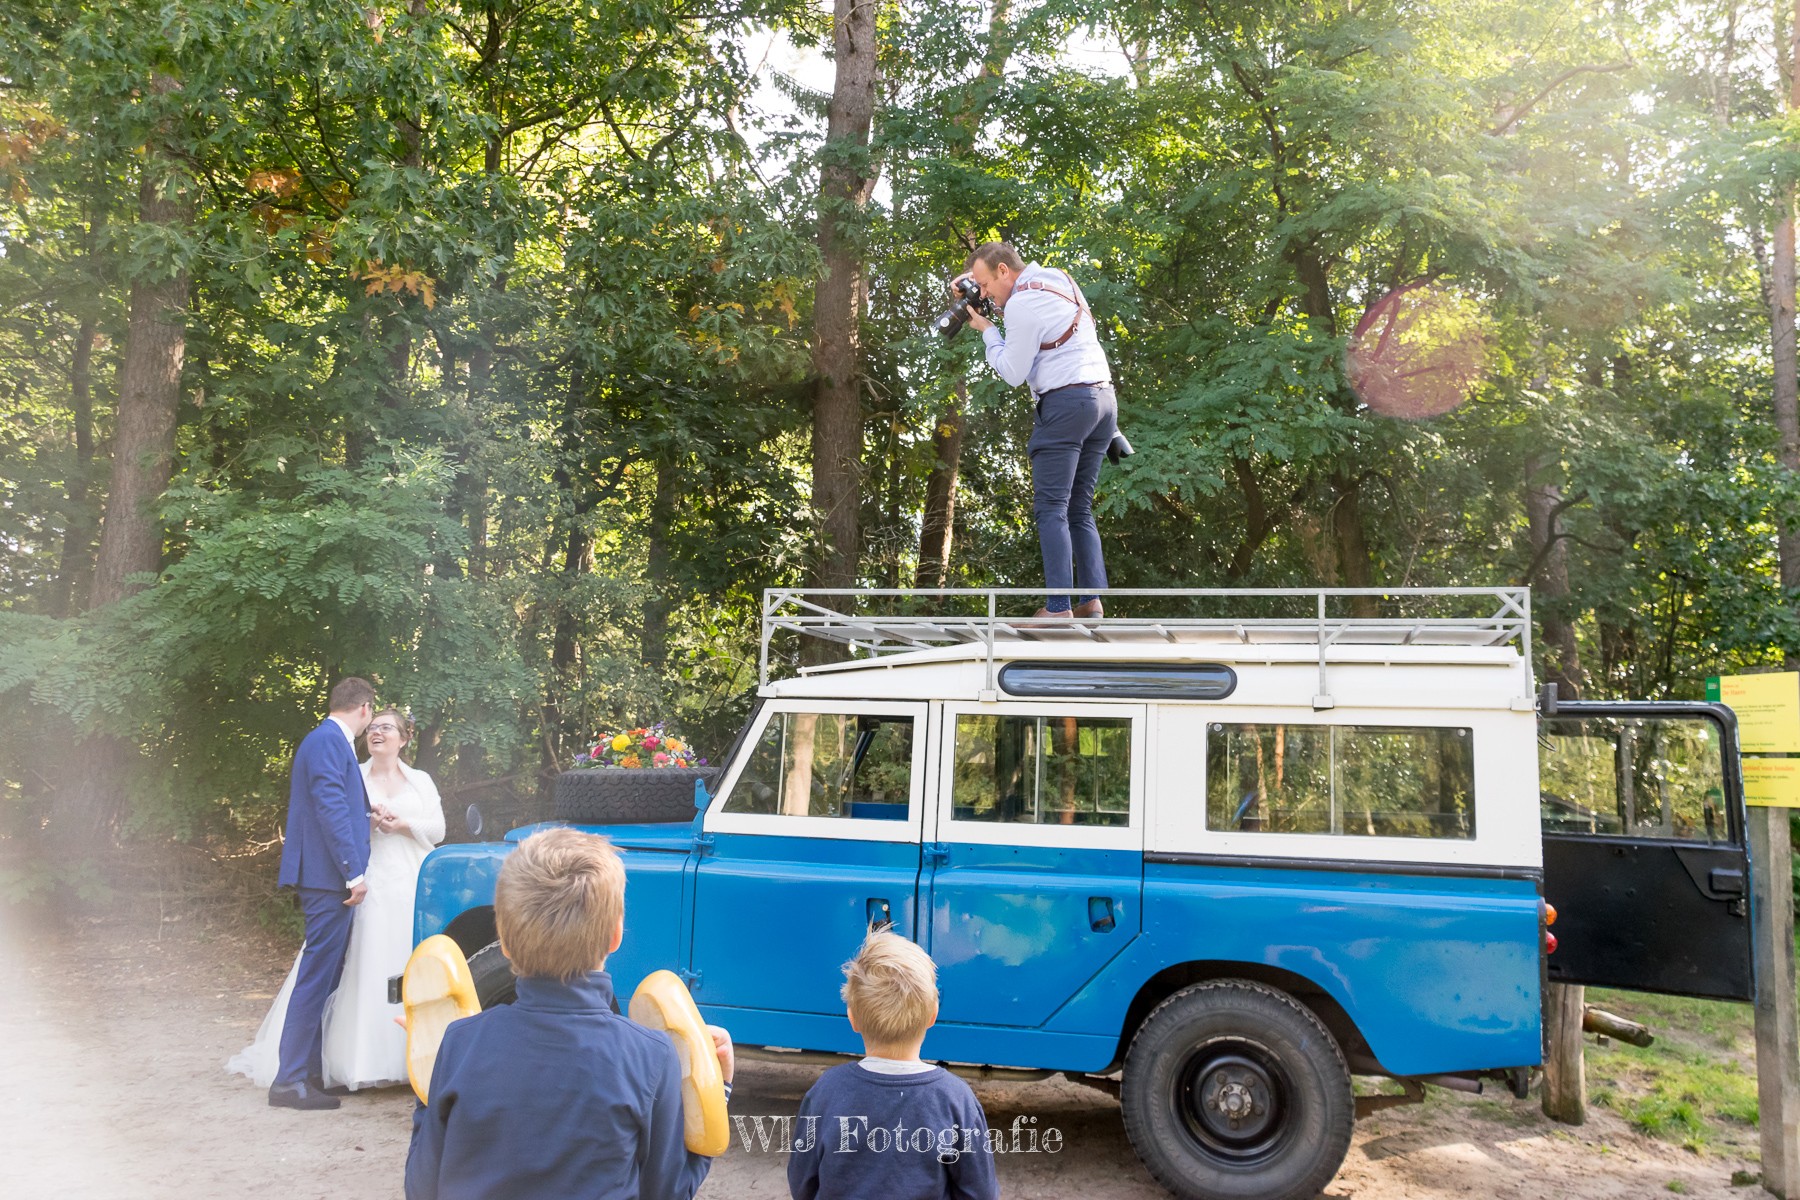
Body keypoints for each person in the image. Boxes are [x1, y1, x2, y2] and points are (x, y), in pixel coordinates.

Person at [405, 827, 734, 1200]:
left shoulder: (457, 1043)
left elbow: (421, 1189)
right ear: (615, 936)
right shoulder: (652, 1056)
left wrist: (425, 1082)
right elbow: (666, 1192)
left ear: (505, 942)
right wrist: (714, 1090)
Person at [229, 707, 447, 1091]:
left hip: (412, 883)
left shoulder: (421, 781)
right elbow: (334, 819)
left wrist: (404, 825)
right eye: (373, 726)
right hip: (366, 880)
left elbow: (439, 829)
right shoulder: (354, 772)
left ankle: (414, 1057)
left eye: (387, 727)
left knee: (409, 963)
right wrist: (369, 822)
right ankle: (355, 1061)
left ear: (404, 737)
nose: (377, 732)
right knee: (360, 965)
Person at [959, 241, 1117, 619]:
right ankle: (1090, 602)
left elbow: (1013, 373)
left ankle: (1058, 610)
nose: (984, 295)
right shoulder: (1059, 279)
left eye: (984, 285)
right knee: (1080, 507)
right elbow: (990, 279)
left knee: (1052, 508)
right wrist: (968, 281)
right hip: (1105, 404)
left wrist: (986, 330)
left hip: (1067, 405)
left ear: (1003, 272)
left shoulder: (1020, 305)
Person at [787, 930, 998, 1200]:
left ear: (853, 1019)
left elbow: (802, 1182)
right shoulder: (956, 1099)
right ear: (932, 1016)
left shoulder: (826, 1092)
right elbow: (980, 1191)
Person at [267, 677, 374, 1110]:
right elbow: (330, 807)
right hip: (328, 877)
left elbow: (342, 805)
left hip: (326, 875)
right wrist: (353, 873)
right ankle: (288, 1080)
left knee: (325, 976)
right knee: (316, 977)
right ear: (365, 708)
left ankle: (307, 1074)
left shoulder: (326, 739)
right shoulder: (330, 740)